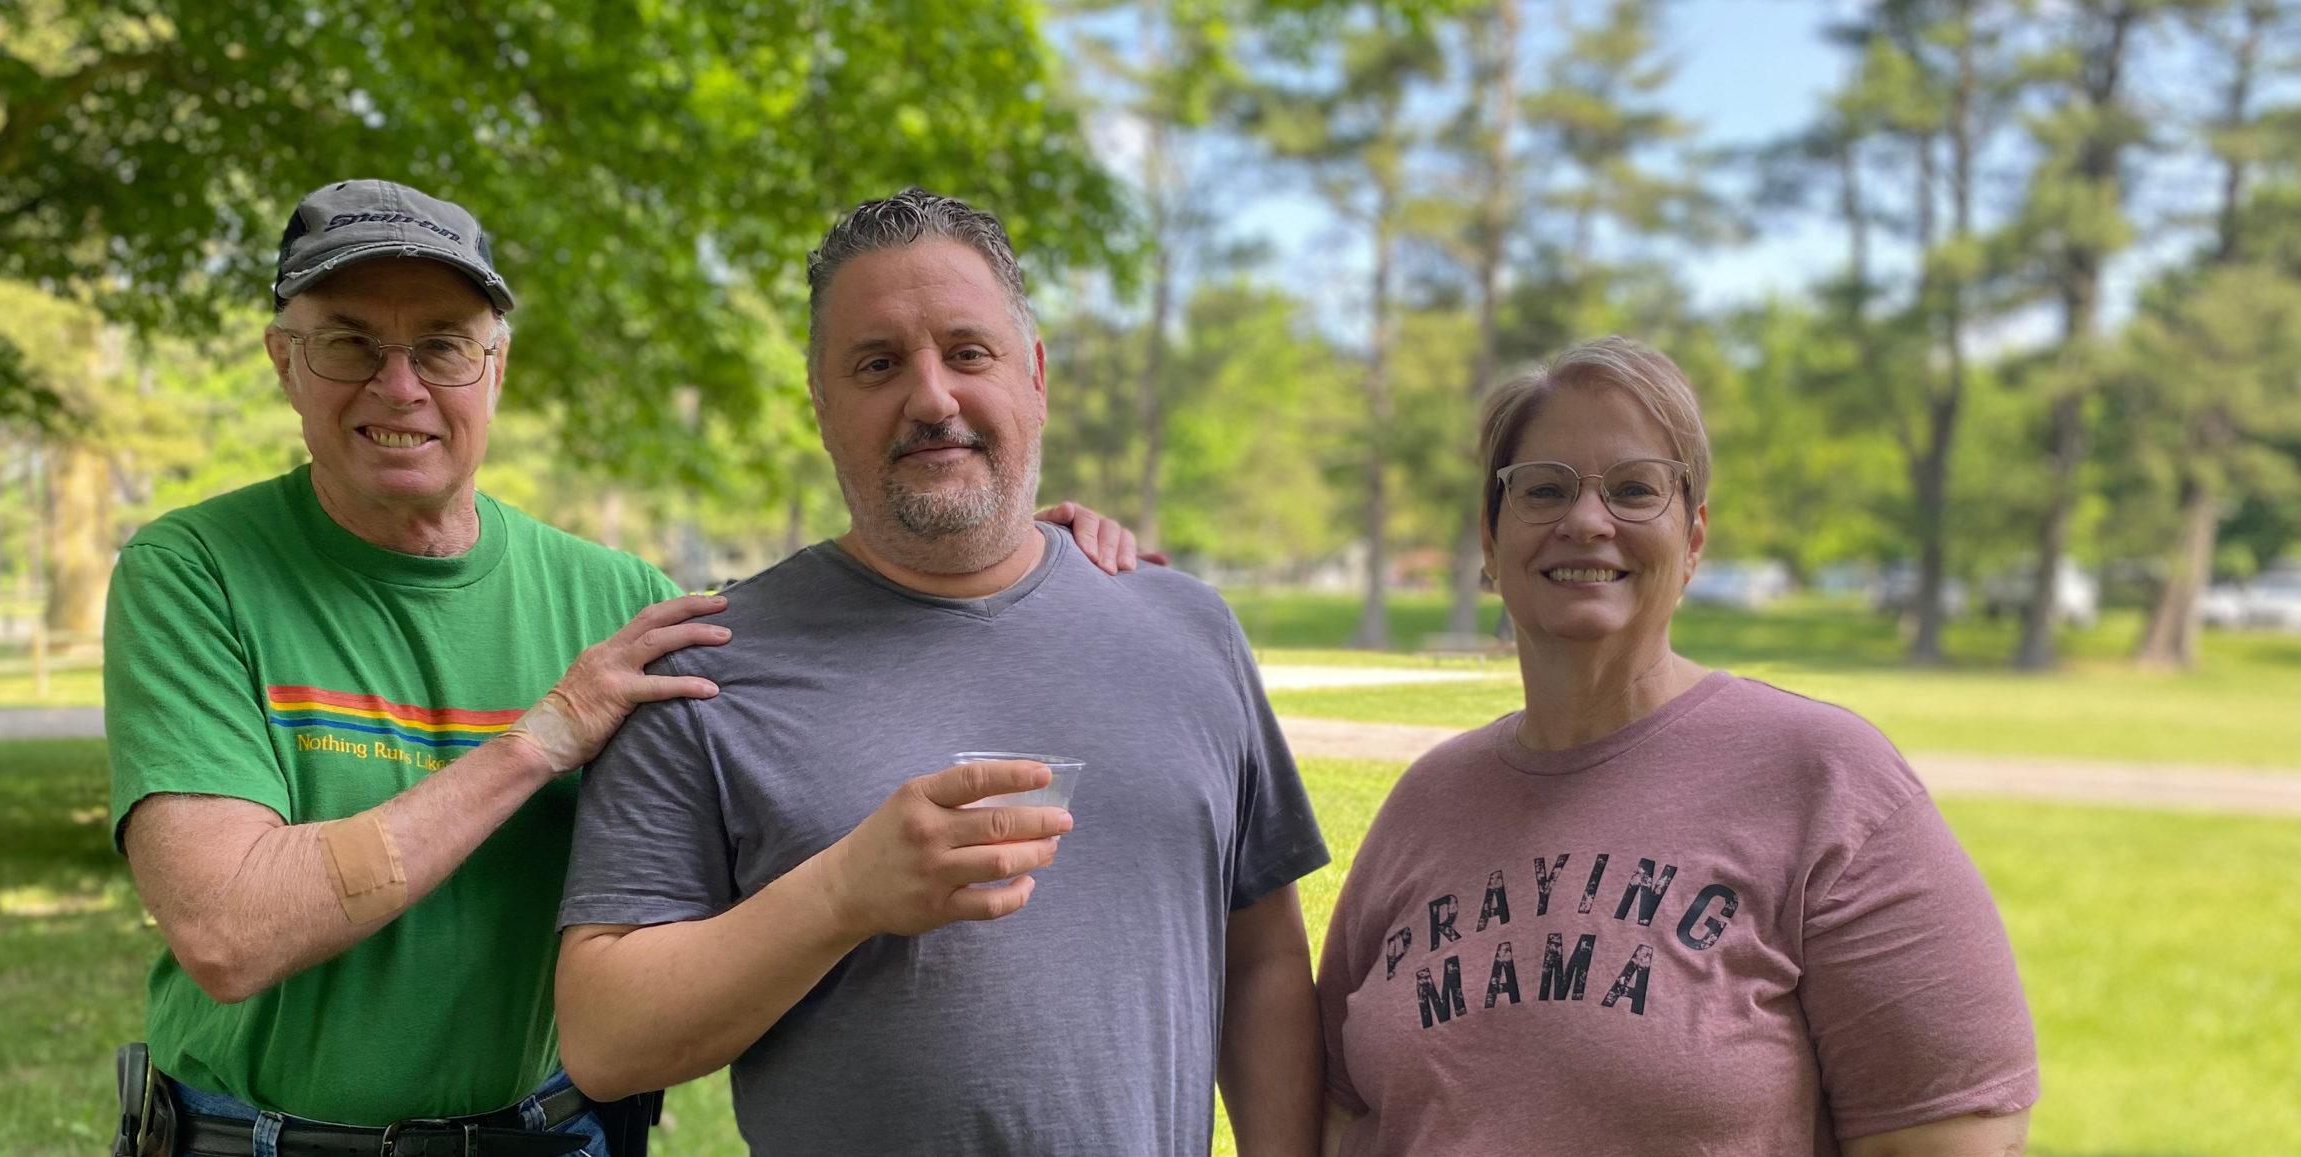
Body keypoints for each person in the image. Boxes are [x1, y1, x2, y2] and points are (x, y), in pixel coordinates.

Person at [104, 179, 1152, 1157]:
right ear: (285, 363)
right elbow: (229, 929)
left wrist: (1024, 552)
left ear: (495, 369)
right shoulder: (195, 571)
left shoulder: (619, 603)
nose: (400, 385)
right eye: (349, 343)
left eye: (442, 346)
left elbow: (848, 638)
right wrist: (541, 739)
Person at [550, 188, 1331, 1156]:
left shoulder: (1187, 627)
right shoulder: (707, 665)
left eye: (968, 352)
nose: (931, 398)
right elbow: (604, 1038)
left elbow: (1259, 959)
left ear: (1034, 376)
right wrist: (841, 894)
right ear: (823, 407)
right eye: (878, 364)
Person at [1314, 337, 2037, 1157]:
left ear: (1692, 539)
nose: (1586, 521)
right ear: (1490, 536)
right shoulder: (1429, 801)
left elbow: (1950, 1135)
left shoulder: (1825, 780)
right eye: (1544, 489)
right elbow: (1341, 1111)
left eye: (1633, 489)